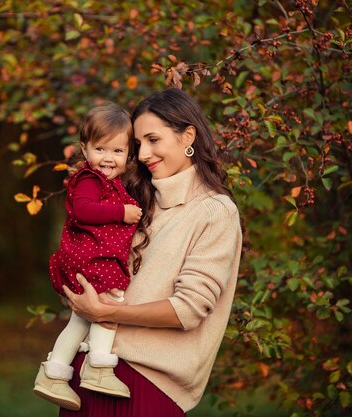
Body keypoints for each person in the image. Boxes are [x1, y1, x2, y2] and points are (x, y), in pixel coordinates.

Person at [61, 88, 243, 417]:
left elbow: (187, 310)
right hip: (88, 370)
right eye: (138, 144)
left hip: (145, 387)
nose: (143, 154)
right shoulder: (132, 200)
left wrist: (105, 313)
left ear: (188, 135)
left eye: (153, 140)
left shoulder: (215, 212)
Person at [33, 103, 143, 411]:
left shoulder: (111, 182)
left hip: (89, 261)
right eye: (100, 149)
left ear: (128, 155)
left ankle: (53, 373)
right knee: (111, 304)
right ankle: (98, 367)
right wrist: (122, 212)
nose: (108, 158)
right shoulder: (89, 180)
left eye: (118, 151)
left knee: (79, 321)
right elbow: (83, 210)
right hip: (90, 262)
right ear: (85, 149)